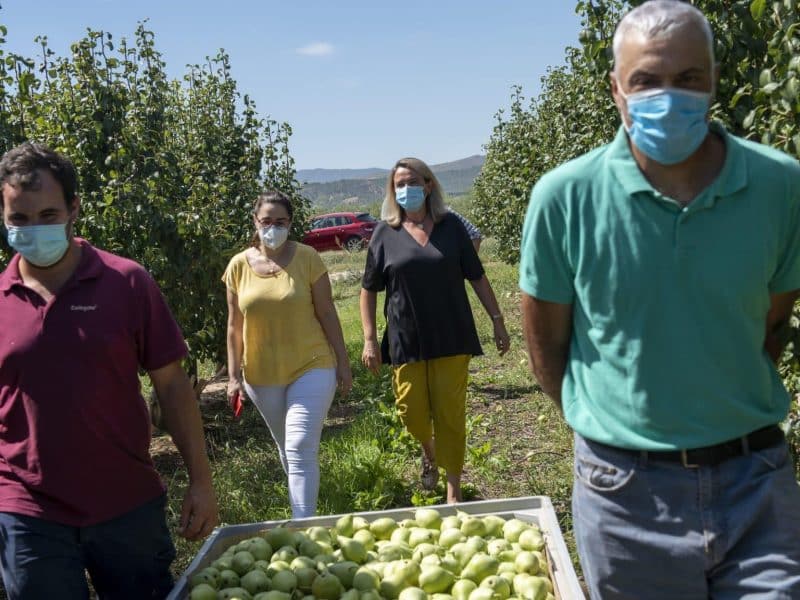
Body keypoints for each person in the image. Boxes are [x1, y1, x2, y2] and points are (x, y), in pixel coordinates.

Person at [519, 1, 800, 597]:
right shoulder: (564, 198)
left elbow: (771, 322)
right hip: (625, 495)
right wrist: (614, 419)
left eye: (688, 79)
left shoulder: (780, 185)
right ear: (616, 88)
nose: (667, 96)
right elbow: (547, 341)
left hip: (756, 481)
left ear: (714, 80)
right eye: (646, 80)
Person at [0, 142, 219, 599]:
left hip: (126, 503)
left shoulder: (126, 282)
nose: (33, 229)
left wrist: (201, 480)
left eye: (47, 214)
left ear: (74, 208)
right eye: (18, 219)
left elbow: (173, 385)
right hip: (27, 509)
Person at [360, 157, 510, 504]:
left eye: (413, 182)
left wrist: (498, 320)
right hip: (404, 338)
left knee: (450, 414)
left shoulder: (451, 227)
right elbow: (368, 289)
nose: (406, 189)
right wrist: (369, 339)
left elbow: (476, 276)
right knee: (411, 412)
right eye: (399, 184)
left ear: (429, 185)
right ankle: (429, 450)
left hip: (451, 334)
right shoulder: (385, 233)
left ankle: (453, 490)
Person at [223, 190, 352, 519]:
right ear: (255, 221)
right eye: (266, 221)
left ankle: (304, 529)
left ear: (290, 223)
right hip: (261, 374)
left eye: (280, 221)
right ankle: (303, 513)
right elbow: (234, 325)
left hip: (312, 365)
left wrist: (343, 361)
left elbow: (326, 312)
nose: (273, 227)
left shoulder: (308, 258)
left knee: (298, 446)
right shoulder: (238, 266)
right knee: (287, 447)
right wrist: (233, 377)